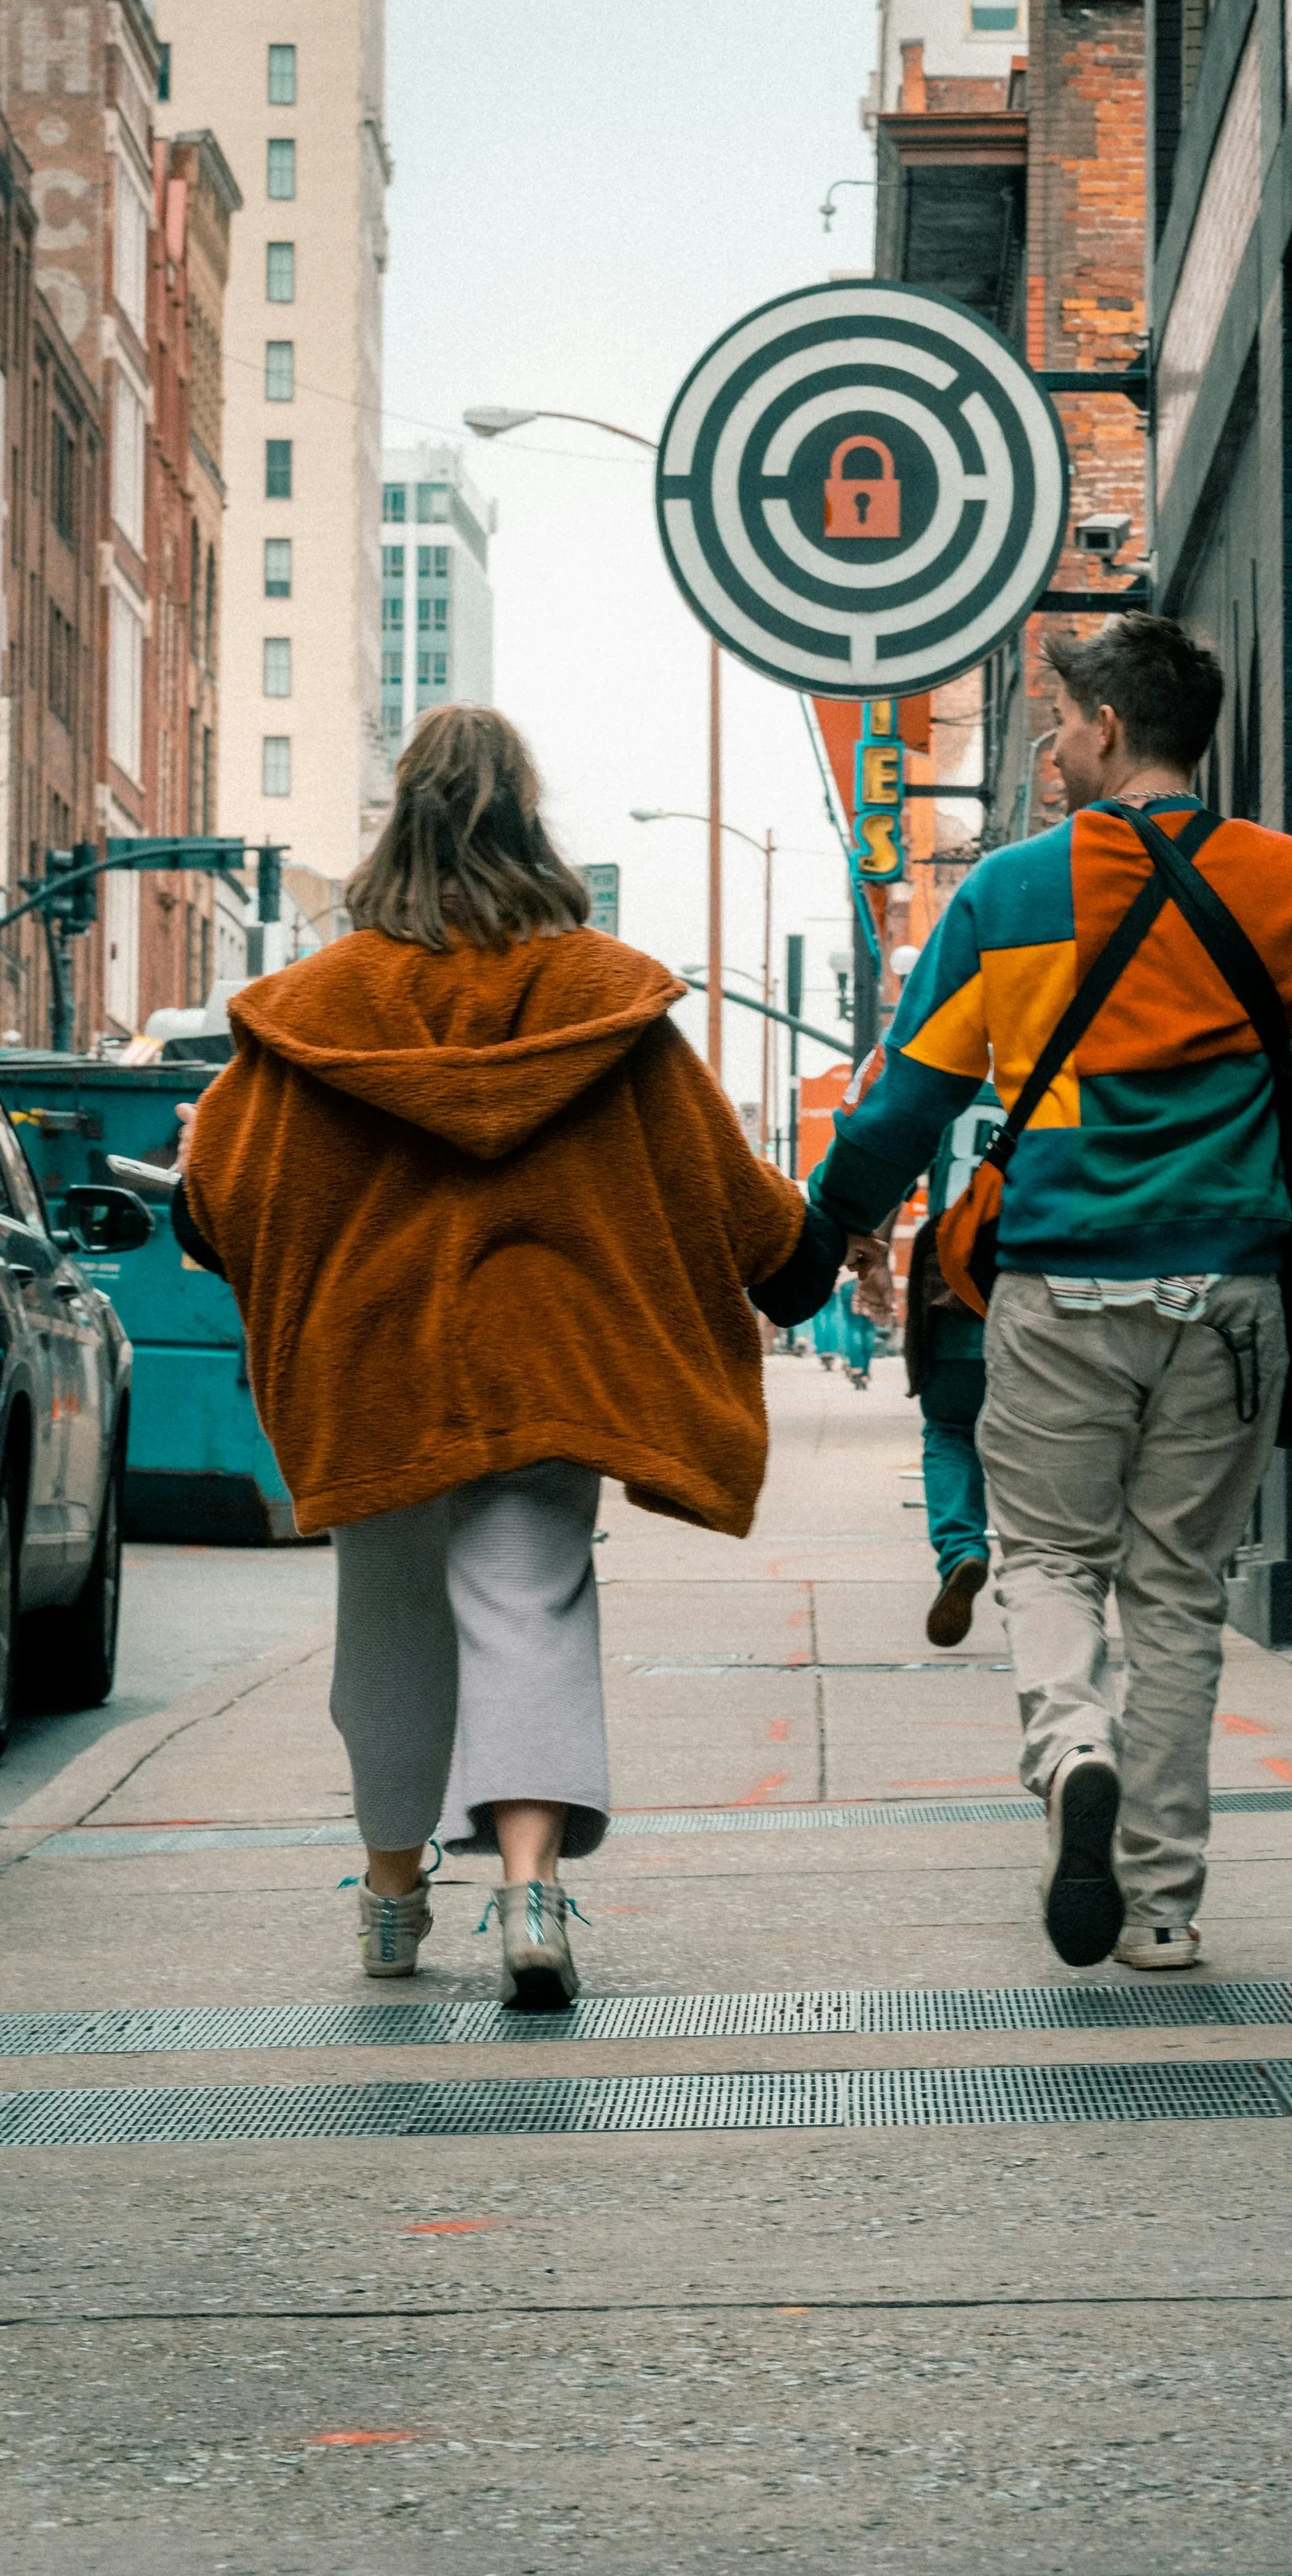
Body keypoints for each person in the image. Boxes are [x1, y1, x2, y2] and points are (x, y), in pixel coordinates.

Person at [173, 706, 842, 2009]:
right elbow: (722, 1185)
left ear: (398, 828)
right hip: (555, 1362)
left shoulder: (310, 1014)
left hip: (372, 1366)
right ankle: (529, 1894)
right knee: (530, 1604)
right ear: (528, 823)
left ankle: (389, 1898)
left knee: (387, 1626)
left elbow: (222, 1200)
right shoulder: (611, 1002)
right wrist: (800, 1259)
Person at [810, 615, 1292, 1973]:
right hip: (1228, 1297)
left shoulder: (1008, 895)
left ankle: (1070, 1748)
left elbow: (911, 1098)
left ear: (1106, 729)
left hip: (1059, 1285)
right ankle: (1157, 1906)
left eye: (1058, 719)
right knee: (1176, 1593)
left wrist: (829, 1224)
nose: (1045, 740)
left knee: (1045, 1563)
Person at [900, 1085, 1003, 1647]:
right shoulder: (1050, 1071)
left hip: (949, 1293)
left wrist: (863, 1246)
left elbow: (886, 1157)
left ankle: (963, 1547)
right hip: (1025, 1283)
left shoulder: (945, 1082)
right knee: (1041, 1443)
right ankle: (1041, 1575)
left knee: (949, 1431)